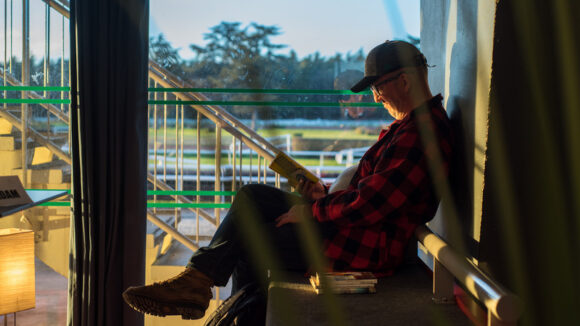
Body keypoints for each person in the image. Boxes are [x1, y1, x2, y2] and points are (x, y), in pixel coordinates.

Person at [123, 40, 453, 320]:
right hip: (352, 227)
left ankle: (202, 290)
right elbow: (371, 194)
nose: (377, 99)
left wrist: (313, 211)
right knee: (252, 196)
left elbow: (371, 202)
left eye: (378, 88)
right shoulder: (413, 128)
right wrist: (321, 194)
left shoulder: (420, 135)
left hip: (359, 244)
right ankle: (197, 282)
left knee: (248, 242)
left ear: (406, 81)